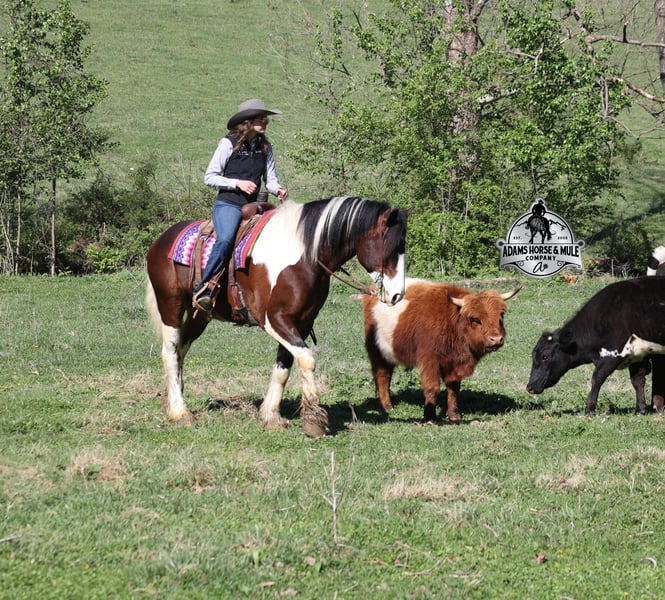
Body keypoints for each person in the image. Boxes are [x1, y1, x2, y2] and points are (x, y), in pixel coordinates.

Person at [192, 98, 288, 313]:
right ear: (247, 121)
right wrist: (236, 183)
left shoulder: (265, 147)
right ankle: (204, 289)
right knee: (226, 240)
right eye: (260, 118)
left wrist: (277, 189)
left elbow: (270, 179)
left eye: (265, 119)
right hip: (229, 204)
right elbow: (209, 177)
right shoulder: (228, 143)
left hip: (255, 206)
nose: (264, 122)